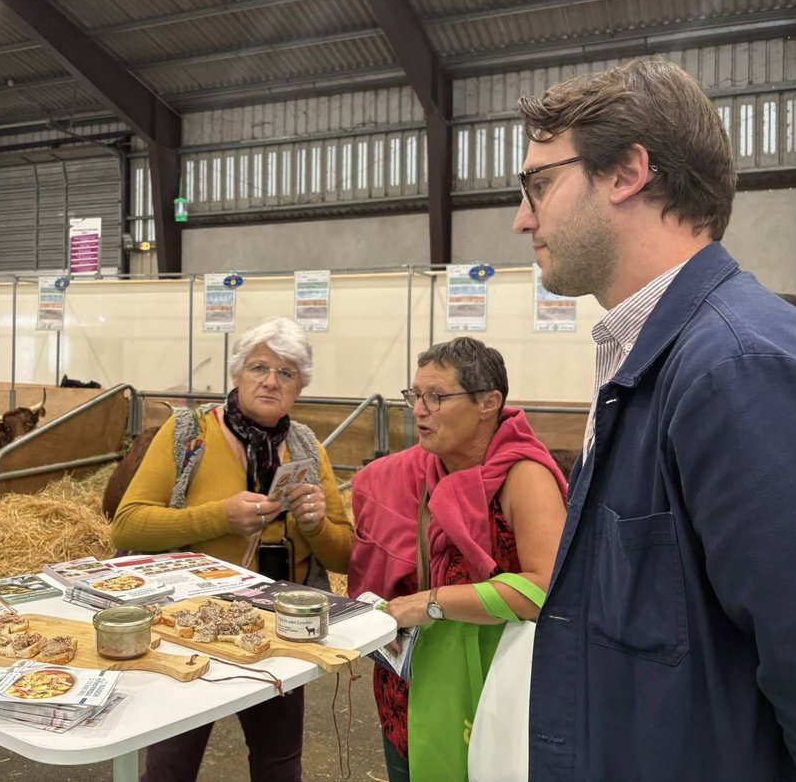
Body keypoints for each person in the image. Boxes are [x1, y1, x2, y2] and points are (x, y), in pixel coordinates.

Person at [511, 56, 796, 779]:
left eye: (539, 184)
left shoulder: (738, 367)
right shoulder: (657, 358)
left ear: (628, 172)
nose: (522, 217)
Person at [111, 316, 352, 782]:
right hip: (189, 627)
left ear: (300, 387)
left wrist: (316, 525)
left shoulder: (305, 445)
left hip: (279, 628)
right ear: (237, 374)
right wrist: (220, 517)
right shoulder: (189, 432)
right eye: (259, 367)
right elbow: (128, 526)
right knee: (171, 767)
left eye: (286, 373)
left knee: (280, 765)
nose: (271, 381)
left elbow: (343, 557)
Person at [347, 337, 567, 781]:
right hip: (407, 686)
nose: (419, 410)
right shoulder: (413, 471)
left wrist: (432, 602)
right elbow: (371, 560)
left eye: (437, 397)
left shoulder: (523, 476)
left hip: (493, 689)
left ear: (488, 402)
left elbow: (547, 588)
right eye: (415, 395)